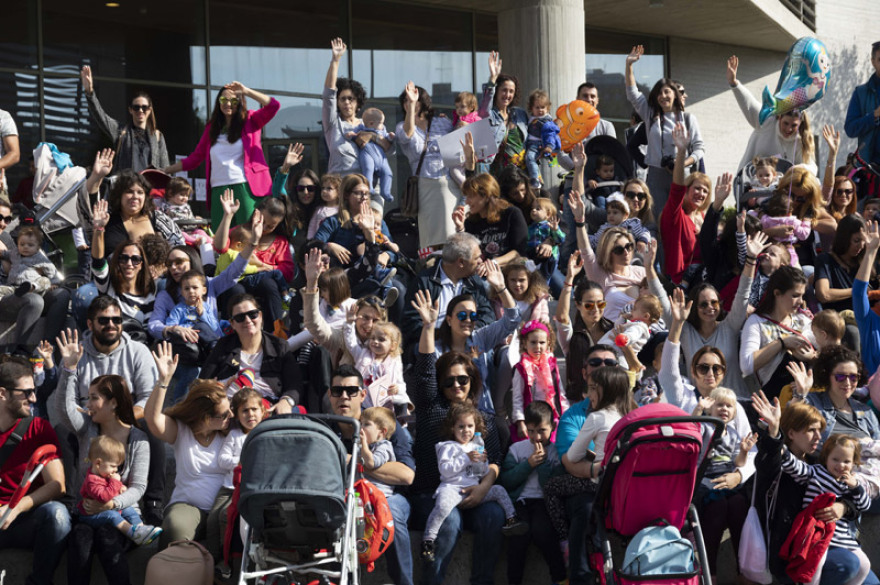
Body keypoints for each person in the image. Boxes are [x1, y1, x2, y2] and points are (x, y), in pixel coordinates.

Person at [662, 288, 754, 579]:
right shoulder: (684, 397)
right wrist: (677, 326)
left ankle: (743, 574)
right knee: (715, 511)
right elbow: (667, 371)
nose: (710, 373)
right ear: (694, 370)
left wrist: (740, 475)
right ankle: (708, 575)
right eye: (703, 368)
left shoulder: (732, 403)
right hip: (695, 480)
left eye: (716, 368)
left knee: (738, 504)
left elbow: (751, 450)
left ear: (723, 372)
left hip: (730, 477)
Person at [752, 392, 880, 585]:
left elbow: (856, 501)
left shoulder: (821, 463)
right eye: (812, 430)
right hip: (793, 546)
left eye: (821, 430)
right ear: (792, 433)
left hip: (834, 538)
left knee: (869, 579)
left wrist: (842, 507)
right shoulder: (778, 464)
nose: (818, 437)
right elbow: (773, 457)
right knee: (848, 565)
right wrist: (774, 431)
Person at [50, 348, 154, 585]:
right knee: (80, 537)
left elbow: (138, 487)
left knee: (108, 537)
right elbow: (64, 410)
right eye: (88, 398)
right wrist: (69, 370)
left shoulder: (138, 439)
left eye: (94, 398)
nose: (88, 404)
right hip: (86, 514)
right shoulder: (88, 429)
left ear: (114, 402)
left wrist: (111, 503)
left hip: (122, 516)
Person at [406, 344, 507, 585]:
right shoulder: (432, 411)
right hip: (432, 495)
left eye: (462, 379)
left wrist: (484, 488)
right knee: (449, 521)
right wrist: (429, 327)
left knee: (494, 514)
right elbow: (424, 375)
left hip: (473, 493)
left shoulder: (487, 422)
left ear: (472, 380)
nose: (456, 386)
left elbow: (494, 462)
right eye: (448, 382)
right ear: (439, 386)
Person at [68, 296, 164, 524]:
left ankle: (153, 503)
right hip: (89, 417)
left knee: (154, 431)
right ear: (90, 325)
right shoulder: (79, 355)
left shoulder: (138, 351)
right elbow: (69, 400)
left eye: (116, 319)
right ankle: (71, 500)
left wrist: (120, 417)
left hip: (128, 417)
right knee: (63, 430)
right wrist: (93, 415)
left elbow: (148, 397)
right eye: (104, 320)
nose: (111, 324)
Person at [327, 364, 416, 585]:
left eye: (351, 391)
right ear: (330, 395)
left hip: (390, 496)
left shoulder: (383, 423)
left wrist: (350, 460)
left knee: (389, 511)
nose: (344, 397)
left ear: (362, 394)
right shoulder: (326, 431)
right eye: (337, 391)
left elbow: (406, 475)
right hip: (346, 497)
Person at [650, 232, 764, 398]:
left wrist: (751, 259)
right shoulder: (685, 331)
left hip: (736, 402)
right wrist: (648, 266)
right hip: (699, 406)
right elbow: (660, 296)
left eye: (714, 302)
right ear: (694, 307)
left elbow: (743, 292)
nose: (710, 307)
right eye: (703, 304)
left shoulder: (730, 326)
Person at [145, 341, 230, 550]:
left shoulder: (231, 431)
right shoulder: (182, 430)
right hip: (188, 506)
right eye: (223, 415)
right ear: (204, 417)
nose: (231, 416)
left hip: (224, 509)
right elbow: (152, 419)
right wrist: (163, 381)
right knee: (175, 526)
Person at [164, 81, 279, 228]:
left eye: (233, 100)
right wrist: (166, 170)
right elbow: (195, 158)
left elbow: (273, 106)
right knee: (221, 239)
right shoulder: (212, 127)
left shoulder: (250, 120)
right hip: (218, 188)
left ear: (240, 102)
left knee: (247, 235)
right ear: (219, 102)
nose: (228, 104)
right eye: (224, 100)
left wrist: (246, 91)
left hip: (244, 187)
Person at [420, 402, 526, 562]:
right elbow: (446, 470)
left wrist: (482, 462)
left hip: (474, 490)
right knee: (442, 507)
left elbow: (480, 473)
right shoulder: (447, 446)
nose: (466, 430)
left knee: (499, 491)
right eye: (461, 427)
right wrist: (466, 458)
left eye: (470, 426)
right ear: (452, 429)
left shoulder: (476, 445)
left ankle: (512, 519)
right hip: (452, 488)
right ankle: (429, 540)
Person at [0, 357, 70, 585]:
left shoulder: (39, 428)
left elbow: (57, 485)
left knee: (57, 515)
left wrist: (16, 507)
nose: (34, 398)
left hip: (23, 518)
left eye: (34, 391)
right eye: (27, 392)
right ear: (2, 394)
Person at [625, 45, 704, 216]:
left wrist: (682, 163)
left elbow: (699, 149)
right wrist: (629, 65)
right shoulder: (650, 115)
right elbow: (632, 94)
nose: (663, 96)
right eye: (659, 93)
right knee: (657, 218)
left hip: (681, 175)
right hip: (655, 175)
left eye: (667, 91)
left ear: (675, 94)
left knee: (681, 219)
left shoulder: (688, 119)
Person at [314, 175, 406, 318]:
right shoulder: (334, 222)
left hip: (376, 273)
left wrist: (386, 255)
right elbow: (314, 245)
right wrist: (330, 246)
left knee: (398, 289)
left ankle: (393, 336)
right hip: (347, 278)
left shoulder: (376, 220)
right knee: (372, 290)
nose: (364, 197)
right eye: (358, 193)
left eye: (366, 193)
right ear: (346, 195)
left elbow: (393, 250)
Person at [499, 400, 566, 585]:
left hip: (544, 502)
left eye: (541, 431)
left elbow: (552, 484)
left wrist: (542, 464)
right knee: (519, 536)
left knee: (543, 531)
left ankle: (560, 577)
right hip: (521, 501)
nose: (536, 437)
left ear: (552, 427)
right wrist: (528, 465)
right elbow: (508, 480)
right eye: (531, 431)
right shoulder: (517, 449)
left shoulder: (555, 453)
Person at [199, 294, 302, 413]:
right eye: (240, 318)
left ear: (261, 316)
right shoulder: (223, 346)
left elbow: (294, 383)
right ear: (232, 323)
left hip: (269, 409)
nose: (248, 320)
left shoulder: (279, 346)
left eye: (253, 314)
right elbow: (203, 382)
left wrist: (286, 401)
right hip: (232, 410)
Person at [213, 194, 295, 332]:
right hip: (237, 281)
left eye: (271, 226)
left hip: (262, 283)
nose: (264, 228)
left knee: (268, 284)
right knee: (236, 289)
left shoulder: (280, 242)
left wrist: (265, 267)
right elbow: (220, 248)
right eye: (262, 222)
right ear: (256, 213)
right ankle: (230, 333)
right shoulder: (241, 232)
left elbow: (287, 271)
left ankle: (276, 331)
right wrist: (228, 216)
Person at [401, 232, 495, 347]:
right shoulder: (424, 282)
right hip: (433, 342)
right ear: (461, 262)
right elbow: (411, 323)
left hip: (468, 341)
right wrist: (443, 335)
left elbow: (488, 316)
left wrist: (465, 331)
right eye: (477, 258)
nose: (481, 261)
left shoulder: (475, 282)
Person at [726, 56, 817, 172]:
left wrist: (801, 167)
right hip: (751, 183)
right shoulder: (766, 121)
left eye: (794, 125)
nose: (789, 129)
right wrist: (734, 83)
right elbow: (749, 104)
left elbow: (812, 168)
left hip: (780, 187)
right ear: (779, 117)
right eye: (786, 123)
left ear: (800, 124)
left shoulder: (800, 141)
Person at [398, 81, 460, 250]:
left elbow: (459, 140)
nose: (409, 103)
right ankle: (434, 270)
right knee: (430, 237)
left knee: (451, 234)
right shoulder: (402, 127)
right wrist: (411, 105)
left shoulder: (443, 122)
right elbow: (408, 135)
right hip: (424, 186)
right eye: (405, 101)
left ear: (423, 101)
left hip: (448, 183)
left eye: (415, 99)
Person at [740, 266, 816, 400]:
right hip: (775, 397)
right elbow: (747, 366)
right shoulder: (756, 322)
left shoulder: (803, 319)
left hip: (808, 395)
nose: (800, 301)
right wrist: (782, 343)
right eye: (795, 295)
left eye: (802, 296)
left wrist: (814, 357)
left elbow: (826, 350)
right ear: (777, 293)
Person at [211, 386, 265, 575]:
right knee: (213, 518)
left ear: (262, 411)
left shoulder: (266, 434)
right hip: (229, 486)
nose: (250, 414)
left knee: (228, 516)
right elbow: (222, 460)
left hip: (255, 488)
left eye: (254, 409)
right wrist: (241, 462)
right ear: (237, 414)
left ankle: (230, 560)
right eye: (245, 410)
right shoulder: (235, 436)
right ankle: (216, 559)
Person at [81, 65, 169, 173]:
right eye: (136, 107)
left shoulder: (158, 136)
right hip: (125, 187)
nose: (140, 110)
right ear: (130, 110)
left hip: (147, 188)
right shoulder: (121, 131)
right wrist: (89, 92)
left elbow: (165, 169)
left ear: (150, 110)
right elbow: (101, 117)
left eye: (144, 107)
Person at [661, 122, 718, 284]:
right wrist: (681, 152)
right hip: (680, 281)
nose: (701, 193)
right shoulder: (676, 214)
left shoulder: (702, 216)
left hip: (703, 279)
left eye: (705, 190)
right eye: (697, 188)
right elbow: (677, 186)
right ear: (686, 190)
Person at [323, 39, 383, 176]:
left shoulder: (368, 124)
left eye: (351, 99)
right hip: (340, 187)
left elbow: (389, 149)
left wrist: (372, 136)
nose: (347, 103)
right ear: (337, 102)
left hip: (366, 187)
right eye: (342, 99)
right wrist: (335, 60)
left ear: (358, 103)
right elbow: (328, 95)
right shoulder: (332, 124)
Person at [510, 320, 567, 442]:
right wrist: (521, 422)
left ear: (548, 343)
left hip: (551, 418)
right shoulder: (521, 368)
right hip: (531, 420)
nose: (538, 346)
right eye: (533, 342)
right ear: (525, 343)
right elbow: (517, 397)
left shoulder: (551, 365)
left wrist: (566, 414)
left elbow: (560, 392)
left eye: (542, 342)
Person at [455, 173, 528, 266]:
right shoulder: (470, 222)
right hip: (482, 273)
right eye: (466, 196)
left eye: (471, 196)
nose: (466, 201)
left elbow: (519, 251)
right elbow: (466, 253)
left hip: (511, 271)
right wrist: (460, 228)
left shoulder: (511, 214)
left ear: (486, 195)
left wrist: (492, 263)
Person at [479, 51, 529, 174]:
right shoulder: (489, 114)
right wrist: (492, 79)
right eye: (504, 90)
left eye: (511, 91)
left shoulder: (520, 114)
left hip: (521, 176)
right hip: (497, 175)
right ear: (496, 91)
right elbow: (483, 110)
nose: (507, 95)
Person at [346, 107, 395, 202]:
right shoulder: (361, 127)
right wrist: (351, 134)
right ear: (371, 123)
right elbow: (354, 134)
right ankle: (369, 188)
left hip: (381, 157)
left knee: (388, 173)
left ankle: (386, 192)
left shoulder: (382, 130)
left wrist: (391, 137)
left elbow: (387, 138)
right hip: (367, 153)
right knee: (368, 169)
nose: (383, 125)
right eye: (381, 123)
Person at [844, 41, 880, 170]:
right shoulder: (861, 93)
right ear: (873, 61)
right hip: (869, 168)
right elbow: (850, 129)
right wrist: (874, 115)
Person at [0, 225, 60, 296]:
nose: (25, 247)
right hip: (14, 286)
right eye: (22, 244)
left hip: (33, 287)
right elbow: (5, 253)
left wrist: (54, 283)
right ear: (17, 244)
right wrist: (2, 253)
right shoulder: (14, 253)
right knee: (3, 289)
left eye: (30, 245)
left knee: (45, 281)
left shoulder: (40, 258)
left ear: (38, 247)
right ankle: (18, 291)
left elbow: (52, 270)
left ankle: (30, 287)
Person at [358, 406, 398, 497]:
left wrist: (363, 444)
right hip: (364, 491)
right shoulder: (365, 446)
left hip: (379, 494)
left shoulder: (384, 446)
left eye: (366, 424)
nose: (361, 428)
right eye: (361, 423)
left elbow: (371, 463)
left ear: (382, 432)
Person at [524, 89, 558, 189]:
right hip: (531, 144)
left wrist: (549, 146)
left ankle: (535, 179)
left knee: (529, 158)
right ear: (531, 108)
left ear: (548, 108)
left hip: (537, 144)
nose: (540, 110)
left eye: (543, 107)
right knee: (529, 160)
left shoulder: (546, 121)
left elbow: (550, 134)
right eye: (537, 107)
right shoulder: (532, 118)